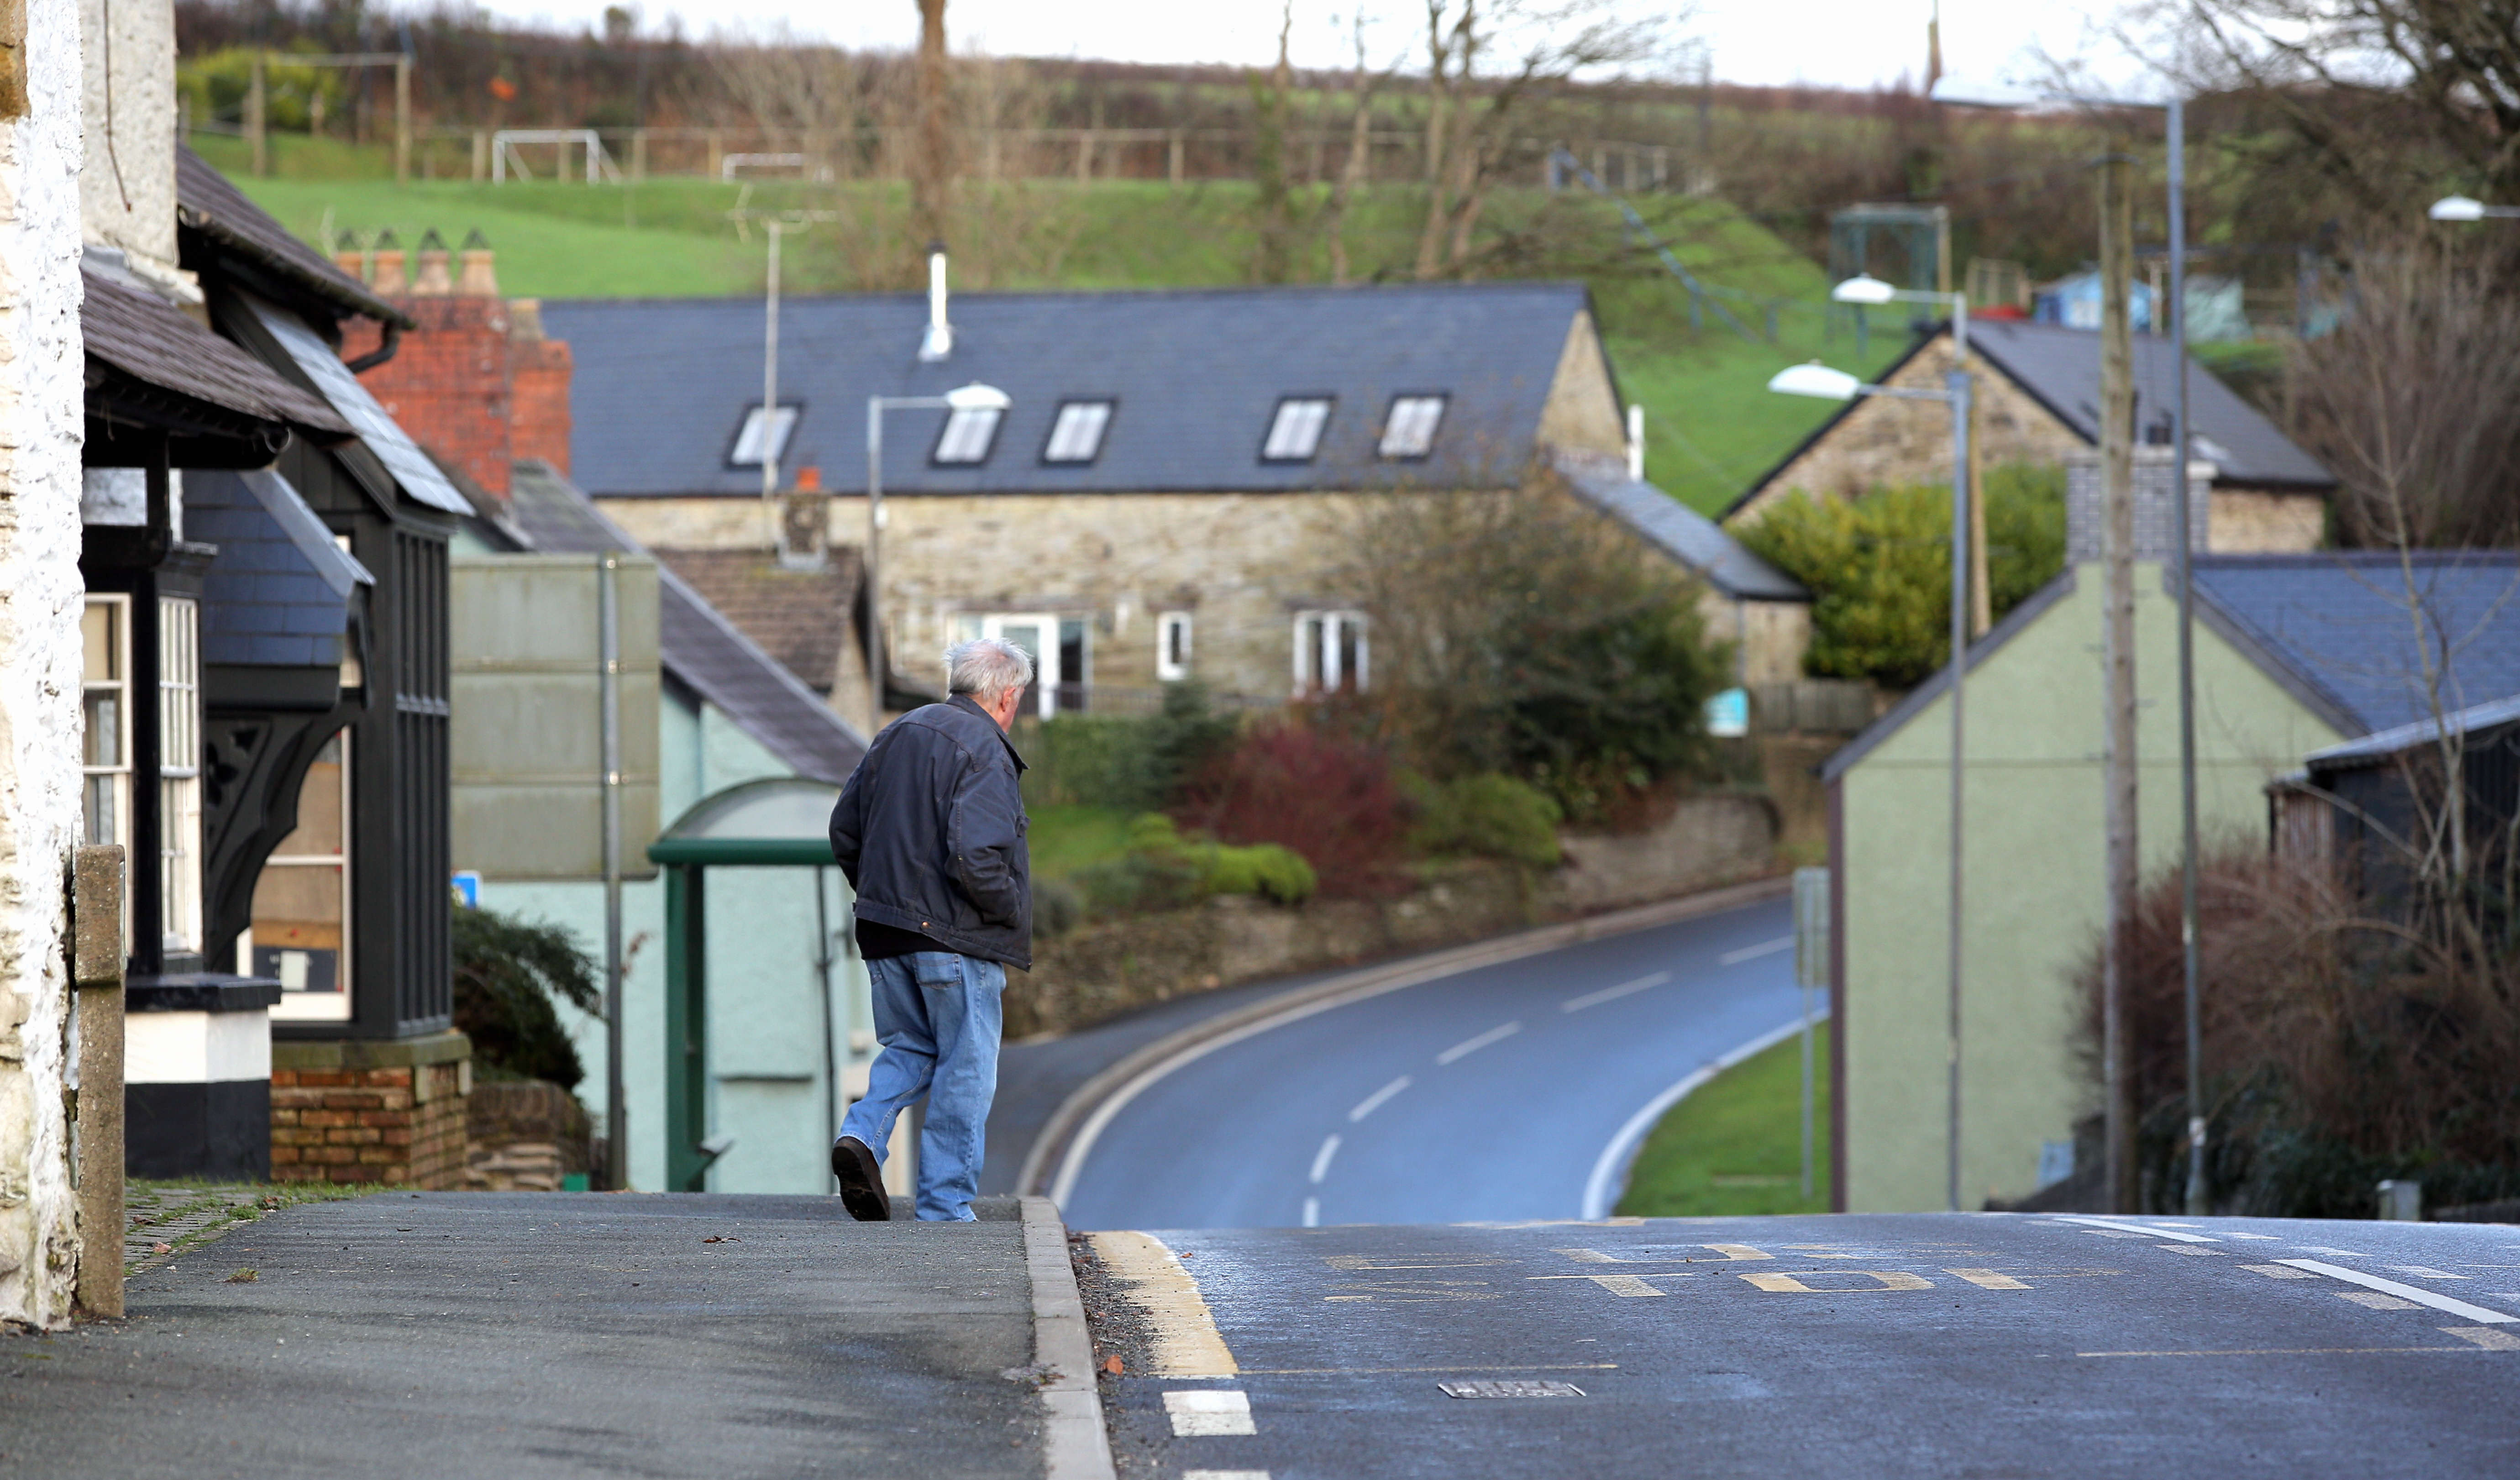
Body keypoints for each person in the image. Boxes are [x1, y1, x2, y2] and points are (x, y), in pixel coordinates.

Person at [826, 636, 1034, 1222]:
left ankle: (862, 1135)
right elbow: (976, 855)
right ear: (1007, 695)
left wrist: (880, 894)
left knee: (911, 1046)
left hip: (884, 931)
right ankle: (945, 1206)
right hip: (953, 939)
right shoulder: (986, 750)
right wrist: (1009, 909)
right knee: (966, 1065)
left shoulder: (897, 733)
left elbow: (845, 829)